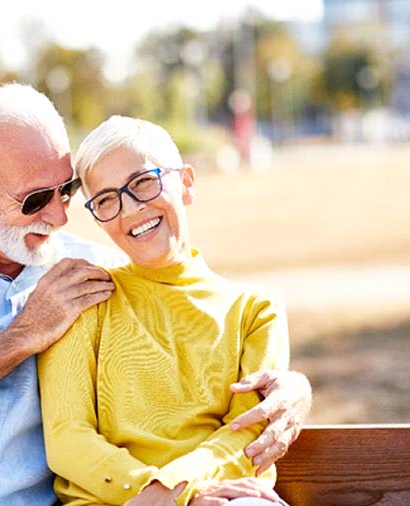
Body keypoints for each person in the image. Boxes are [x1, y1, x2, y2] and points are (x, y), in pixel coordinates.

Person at [0, 85, 310, 506]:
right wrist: (22, 335)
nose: (59, 216)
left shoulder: (93, 272)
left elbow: (179, 293)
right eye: (34, 199)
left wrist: (294, 389)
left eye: (67, 191)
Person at [38, 115, 295, 505]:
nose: (131, 209)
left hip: (222, 497)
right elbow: (66, 437)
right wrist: (166, 497)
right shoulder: (82, 298)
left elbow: (247, 431)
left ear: (186, 183)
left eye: (143, 182)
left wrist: (174, 490)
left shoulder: (255, 310)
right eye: (107, 199)